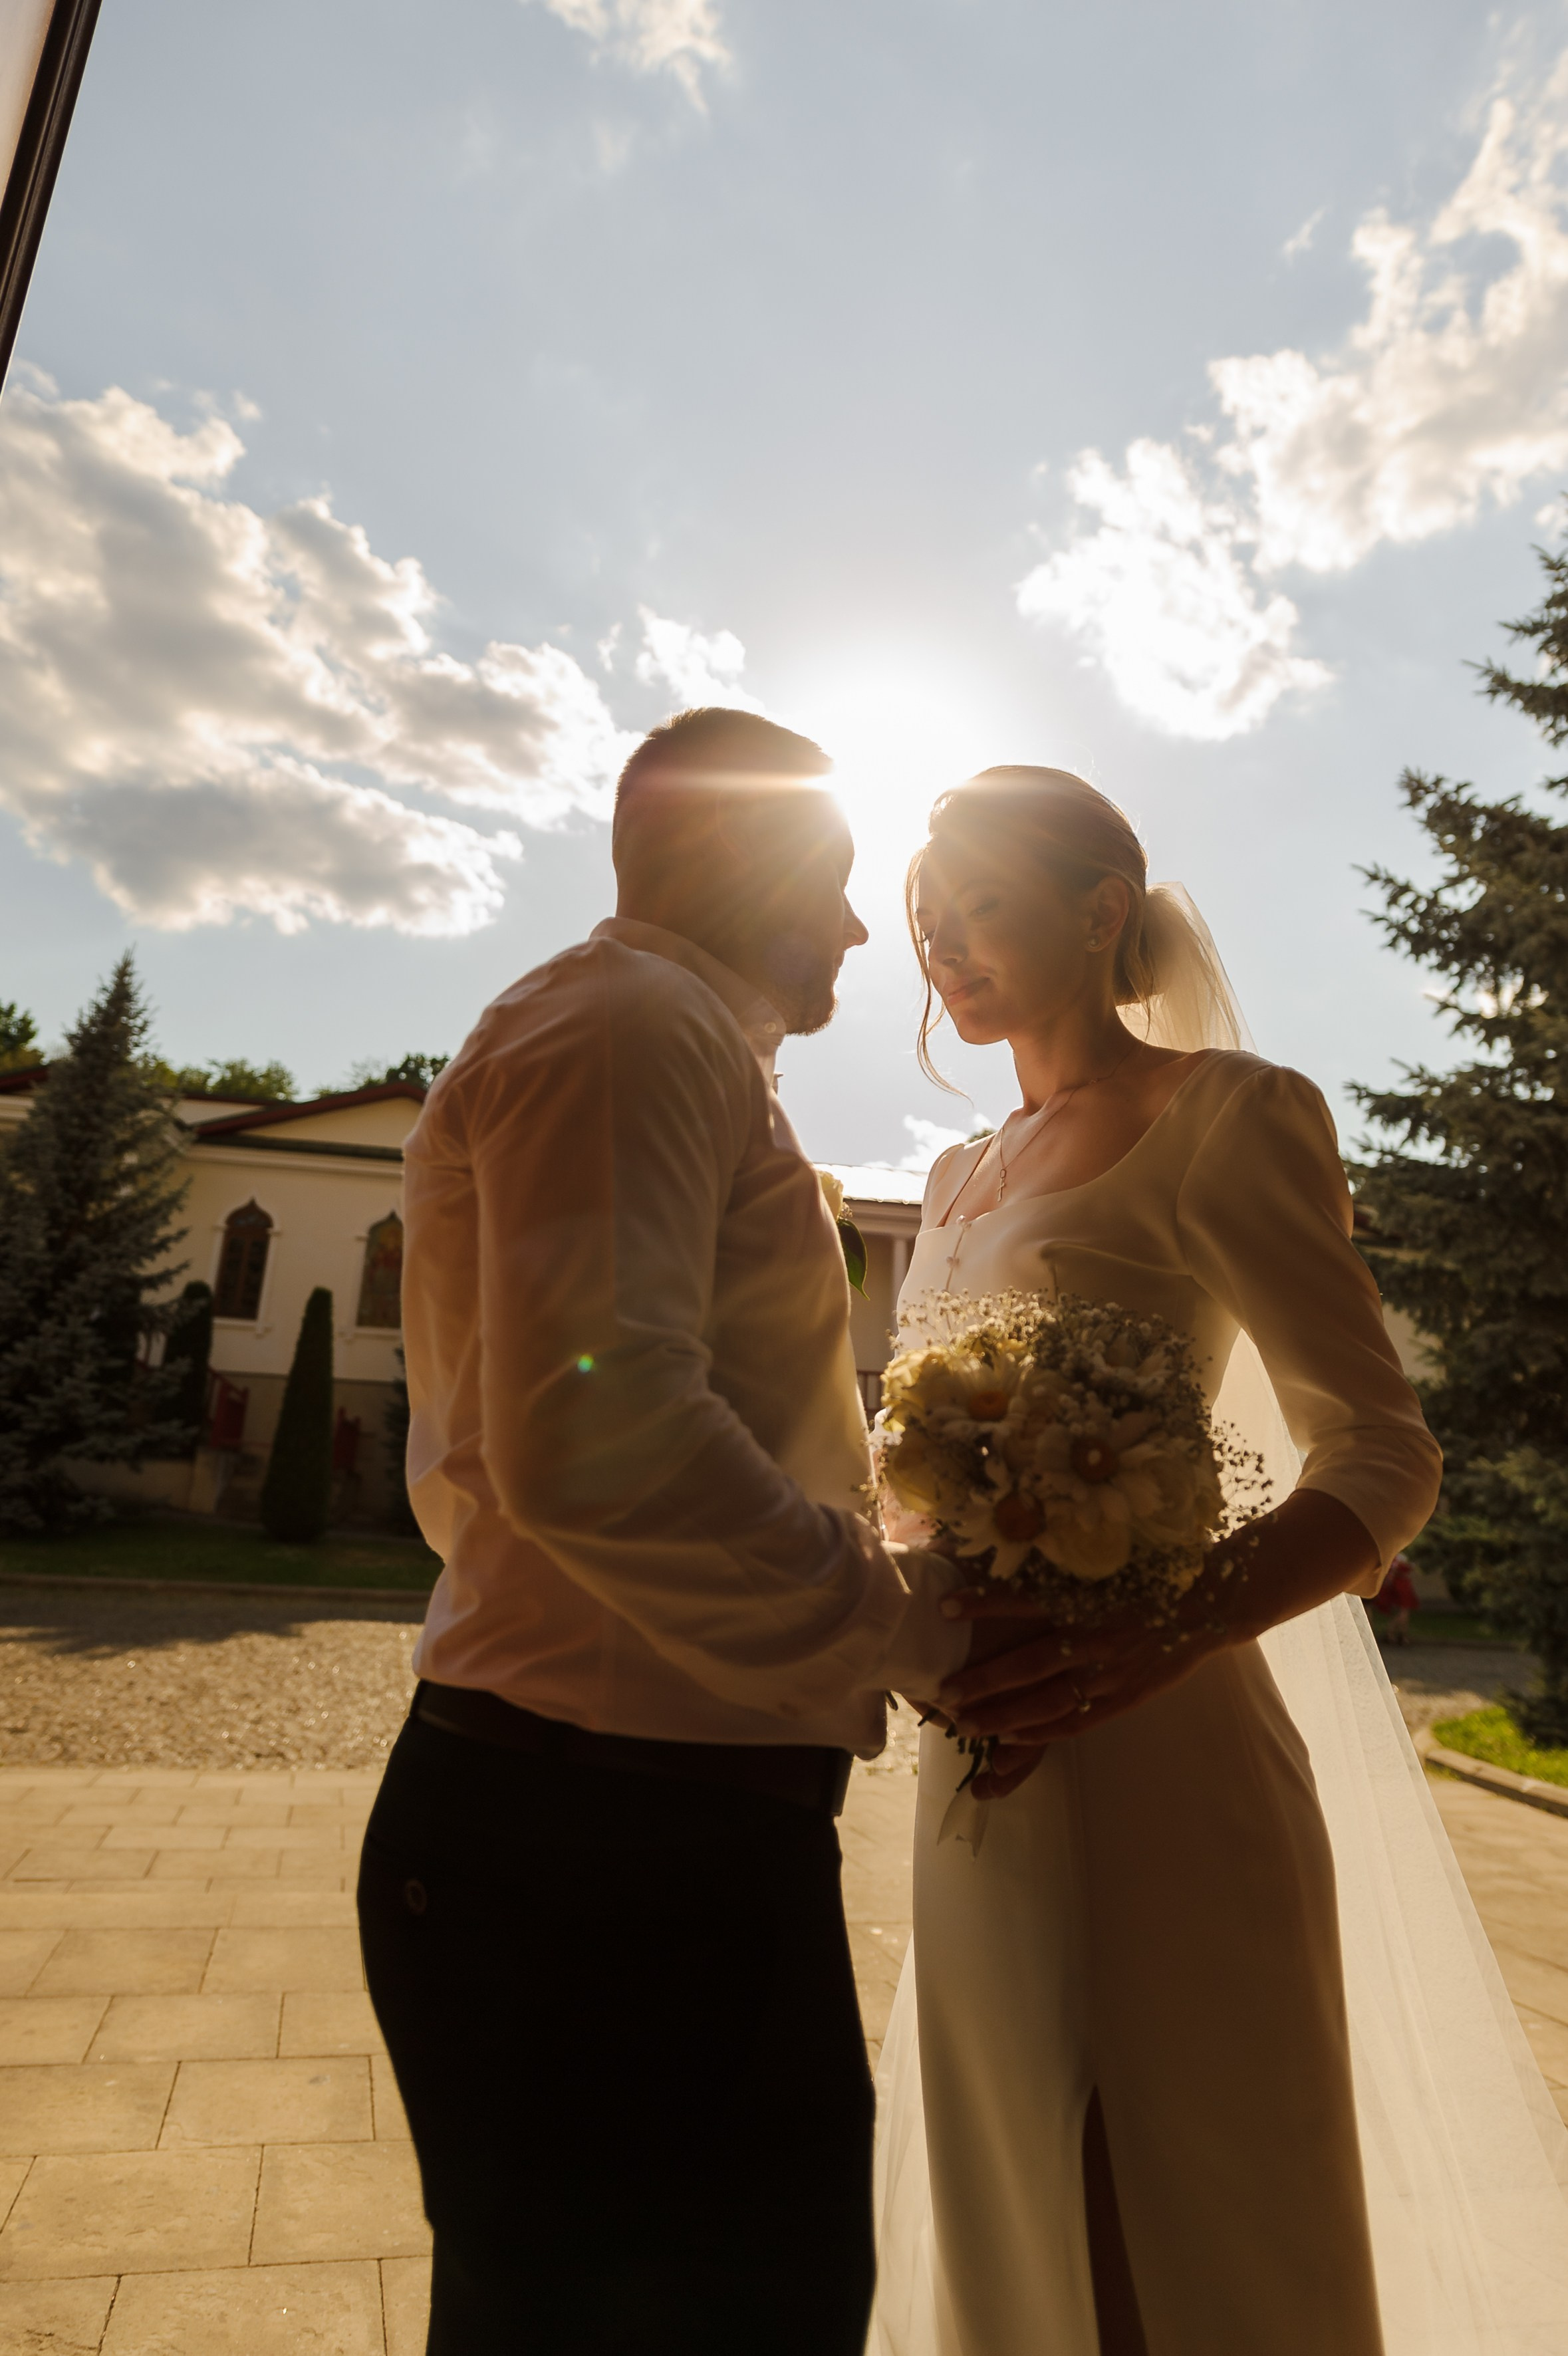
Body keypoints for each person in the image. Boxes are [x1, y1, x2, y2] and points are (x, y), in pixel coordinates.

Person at [868, 767, 1568, 2356]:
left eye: (979, 905)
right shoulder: (958, 1176)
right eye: (927, 919)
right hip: (980, 1764)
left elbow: (1382, 1454)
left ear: (1097, 907)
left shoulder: (1230, 1115)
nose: (946, 948)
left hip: (1166, 1747)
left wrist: (1156, 1632)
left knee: (1181, 2229)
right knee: (1008, 2206)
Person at [357, 707, 980, 2356]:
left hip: (640, 1838)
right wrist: (912, 1629)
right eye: (837, 883)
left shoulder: (659, 1036)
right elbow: (599, 1438)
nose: (859, 926)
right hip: (594, 1854)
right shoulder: (629, 1027)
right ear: (734, 864)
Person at [1371, 1549, 1420, 1644]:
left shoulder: (1398, 1557)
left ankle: (1399, 1634)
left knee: (1404, 1610)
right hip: (1402, 1584)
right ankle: (1395, 1633)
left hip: (1401, 1583)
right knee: (1404, 1610)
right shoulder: (1401, 1558)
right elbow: (1395, 1570)